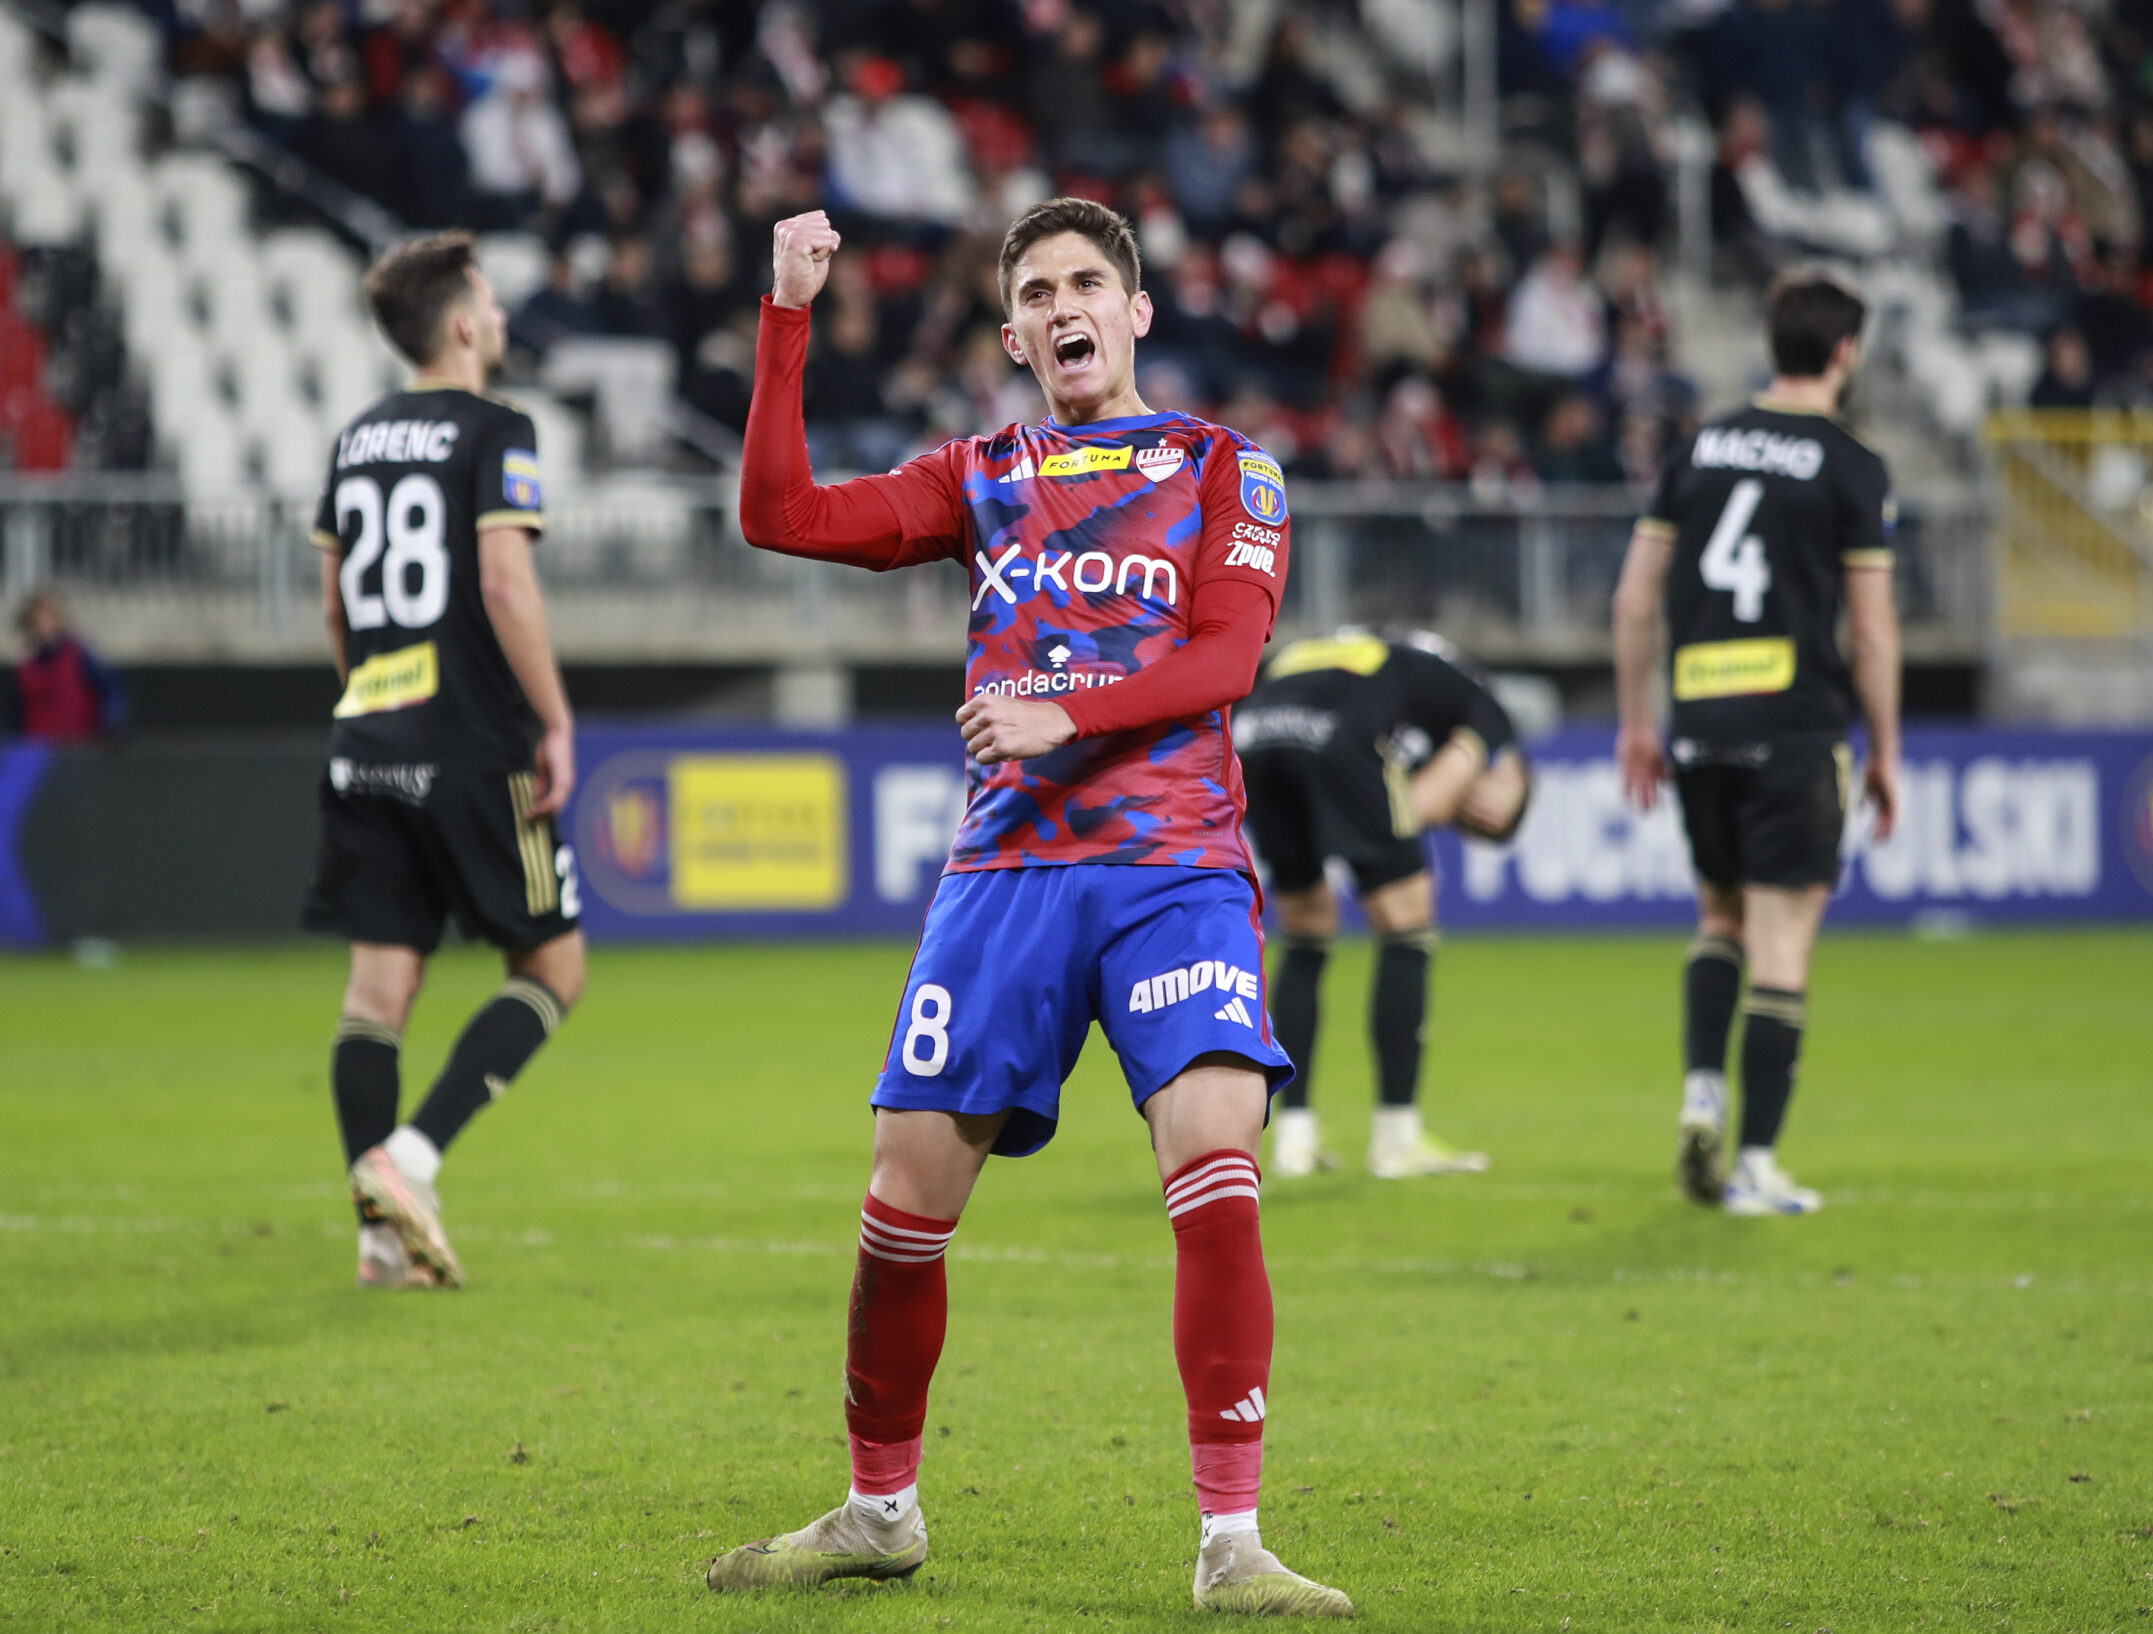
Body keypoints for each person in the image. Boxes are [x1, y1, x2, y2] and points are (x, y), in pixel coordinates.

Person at [706, 200, 1351, 1618]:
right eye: (1039, 291)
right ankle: (881, 1509)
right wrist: (789, 314)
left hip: (1174, 865)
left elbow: (1231, 655)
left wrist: (1071, 709)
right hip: (1005, 880)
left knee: (1217, 1159)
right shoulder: (979, 473)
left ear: (1133, 314)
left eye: (1088, 284)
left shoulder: (1225, 468)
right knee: (902, 1201)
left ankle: (1233, 1540)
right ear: (1013, 336)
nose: (1065, 306)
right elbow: (778, 514)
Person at [303, 231, 587, 1291]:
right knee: (554, 967)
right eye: (494, 306)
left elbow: (334, 601)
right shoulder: (495, 429)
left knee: (377, 991)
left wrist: (366, 701)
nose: (502, 322)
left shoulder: (354, 437)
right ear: (464, 323)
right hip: (469, 739)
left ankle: (383, 1241)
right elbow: (507, 586)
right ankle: (407, 1160)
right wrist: (553, 720)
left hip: (366, 736)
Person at [1609, 268, 1901, 1216]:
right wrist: (1887, 748)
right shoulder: (1853, 464)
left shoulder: (1697, 450)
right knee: (1782, 944)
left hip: (1701, 720)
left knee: (1718, 919)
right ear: (1846, 354)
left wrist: (1636, 724)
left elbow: (1633, 600)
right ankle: (1759, 1164)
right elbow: (1874, 629)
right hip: (1795, 725)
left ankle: (1702, 1091)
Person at [1234, 628, 1532, 1180]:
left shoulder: (1388, 663)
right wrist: (1419, 818)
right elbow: (1423, 803)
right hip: (1337, 736)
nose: (1482, 819)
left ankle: (1293, 1141)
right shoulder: (1488, 710)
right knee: (1407, 921)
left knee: (1305, 930)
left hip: (1253, 733)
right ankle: (1398, 1138)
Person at [7, 590, 127, 739]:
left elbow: (112, 694)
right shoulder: (25, 666)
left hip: (79, 750)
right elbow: (16, 716)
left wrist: (111, 724)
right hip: (39, 754)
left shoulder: (81, 655)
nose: (43, 626)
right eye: (36, 620)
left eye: (50, 617)